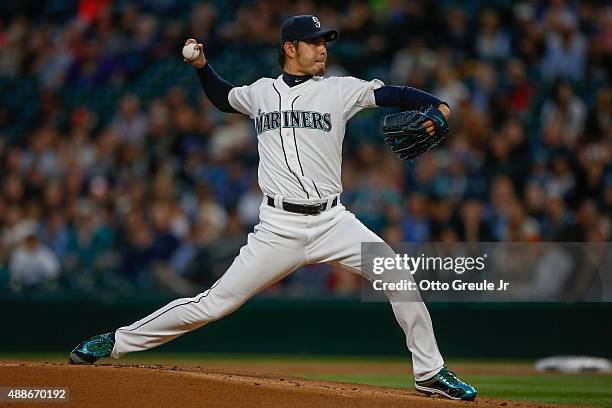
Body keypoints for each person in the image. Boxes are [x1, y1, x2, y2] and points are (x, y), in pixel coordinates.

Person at [69, 15, 476, 401]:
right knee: (214, 304)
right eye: (314, 43)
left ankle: (429, 373)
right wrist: (202, 66)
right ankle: (116, 341)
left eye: (324, 43)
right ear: (289, 47)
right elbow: (223, 97)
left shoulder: (339, 89)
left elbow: (393, 93)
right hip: (278, 227)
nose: (322, 50)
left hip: (333, 221)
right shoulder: (261, 92)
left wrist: (439, 106)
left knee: (397, 274)